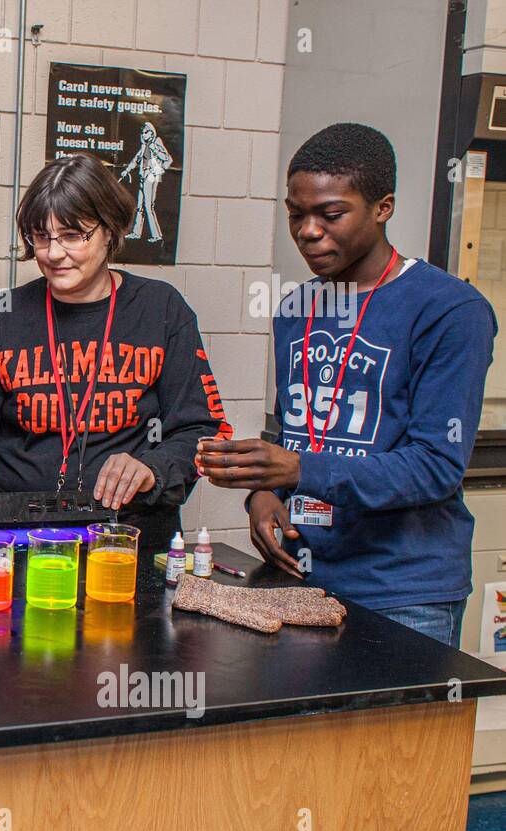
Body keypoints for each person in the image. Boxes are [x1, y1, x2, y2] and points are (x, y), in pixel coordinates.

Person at [199, 123, 497, 645]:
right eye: (296, 214)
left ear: (383, 207)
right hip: (302, 572)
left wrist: (297, 468)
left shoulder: (449, 310)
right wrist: (265, 494)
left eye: (331, 214)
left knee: (393, 732)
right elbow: (295, 429)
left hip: (403, 591)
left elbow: (436, 467)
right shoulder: (297, 306)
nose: (308, 230)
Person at [0, 155, 232, 555]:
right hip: (17, 537)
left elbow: (201, 429)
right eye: (40, 237)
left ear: (112, 229)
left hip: (126, 538)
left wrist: (151, 468)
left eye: (73, 235)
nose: (54, 253)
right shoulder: (1, 315)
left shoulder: (162, 309)